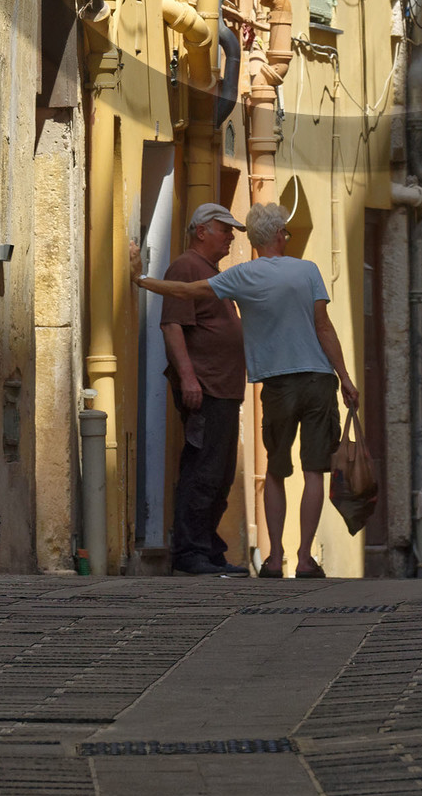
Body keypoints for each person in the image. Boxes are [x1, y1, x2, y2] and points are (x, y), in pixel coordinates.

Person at [131, 201, 358, 579]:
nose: (230, 238)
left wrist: (142, 281)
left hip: (263, 384)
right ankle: (293, 558)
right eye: (224, 230)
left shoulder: (239, 275)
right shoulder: (304, 270)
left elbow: (186, 293)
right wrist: (345, 377)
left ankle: (260, 556)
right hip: (291, 381)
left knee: (257, 472)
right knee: (302, 471)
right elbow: (323, 327)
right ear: (280, 235)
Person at [157, 201, 250, 576]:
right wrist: (189, 377)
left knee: (220, 473)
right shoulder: (186, 268)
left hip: (222, 388)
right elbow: (172, 326)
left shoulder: (211, 273)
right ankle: (190, 551)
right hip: (206, 387)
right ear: (201, 231)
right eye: (224, 230)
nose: (230, 238)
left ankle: (208, 547)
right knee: (203, 470)